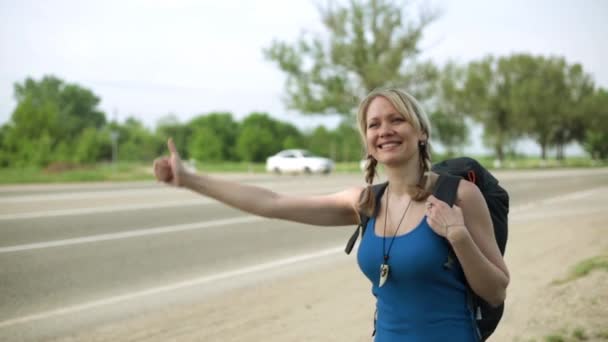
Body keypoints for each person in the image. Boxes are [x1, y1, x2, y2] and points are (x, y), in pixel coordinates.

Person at [153, 87, 510, 341]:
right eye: (373, 124)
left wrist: (459, 236)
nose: (384, 130)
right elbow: (272, 202)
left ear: (421, 132)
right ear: (367, 140)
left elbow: (495, 291)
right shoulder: (366, 202)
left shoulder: (460, 196)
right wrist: (190, 180)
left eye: (396, 119)